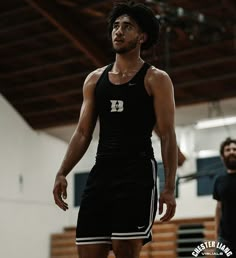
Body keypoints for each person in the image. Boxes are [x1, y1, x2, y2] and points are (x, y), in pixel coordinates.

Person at [53, 1, 177, 258]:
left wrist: (169, 188)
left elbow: (167, 135)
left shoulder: (156, 78)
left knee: (125, 251)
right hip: (101, 174)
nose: (118, 32)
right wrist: (63, 171)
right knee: (87, 251)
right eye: (116, 26)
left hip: (137, 175)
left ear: (142, 37)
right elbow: (83, 133)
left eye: (127, 27)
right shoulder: (95, 79)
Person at [213, 137, 236, 257]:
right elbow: (218, 207)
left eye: (234, 149)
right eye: (228, 149)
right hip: (225, 239)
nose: (232, 151)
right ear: (223, 156)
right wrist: (216, 235)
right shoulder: (219, 180)